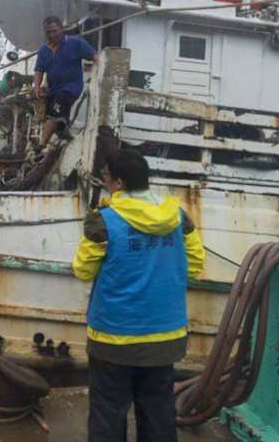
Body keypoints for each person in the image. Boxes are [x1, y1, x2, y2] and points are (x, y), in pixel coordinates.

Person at [72, 149, 205, 442]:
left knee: (108, 412)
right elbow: (195, 265)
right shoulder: (178, 217)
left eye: (106, 178)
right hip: (164, 336)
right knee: (158, 412)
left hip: (113, 337)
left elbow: (83, 270)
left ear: (118, 183)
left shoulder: (103, 221)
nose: (104, 183)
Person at [33, 16, 97, 150]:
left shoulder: (76, 43)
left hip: (71, 88)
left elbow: (96, 57)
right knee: (54, 114)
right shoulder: (43, 50)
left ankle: (41, 145)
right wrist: (37, 87)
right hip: (53, 90)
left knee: (58, 108)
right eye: (49, 32)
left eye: (55, 31)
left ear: (62, 29)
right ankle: (65, 136)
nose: (52, 35)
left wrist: (98, 72)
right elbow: (39, 70)